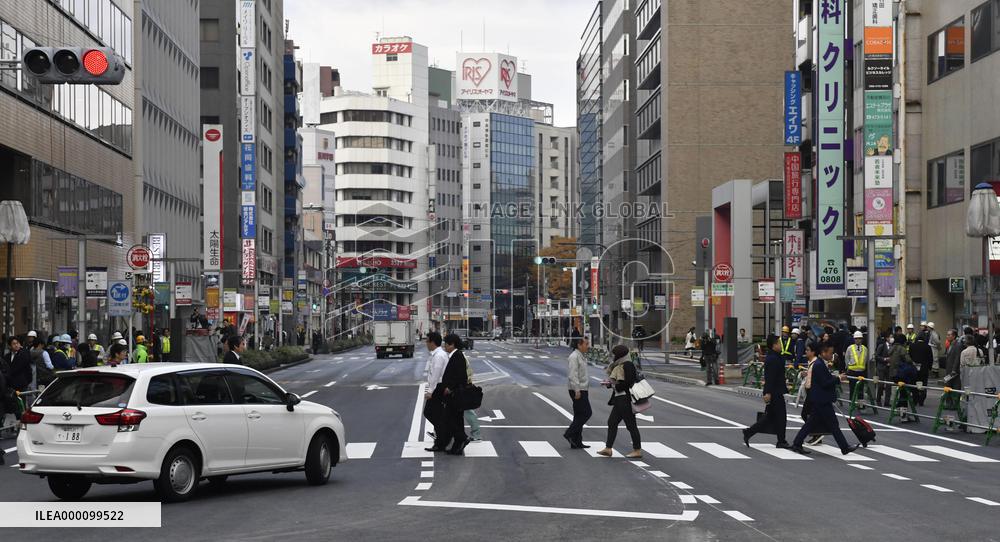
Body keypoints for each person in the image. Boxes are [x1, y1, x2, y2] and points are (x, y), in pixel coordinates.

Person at [791, 342, 860, 456]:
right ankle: (844, 447)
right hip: (822, 399)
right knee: (833, 424)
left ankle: (797, 443)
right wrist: (838, 378)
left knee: (811, 423)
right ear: (823, 353)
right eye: (830, 353)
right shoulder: (819, 364)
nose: (831, 355)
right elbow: (825, 382)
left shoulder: (820, 363)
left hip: (819, 398)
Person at [743, 335, 790, 449]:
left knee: (770, 417)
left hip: (775, 390)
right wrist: (768, 393)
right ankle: (781, 441)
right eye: (778, 343)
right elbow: (770, 377)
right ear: (774, 345)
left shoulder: (775, 356)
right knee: (781, 417)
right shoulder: (773, 358)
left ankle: (749, 432)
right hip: (774, 392)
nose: (780, 344)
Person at [597, 344, 642, 459]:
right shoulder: (620, 365)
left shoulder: (628, 365)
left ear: (619, 355)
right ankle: (608, 448)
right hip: (619, 399)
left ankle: (637, 450)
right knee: (612, 422)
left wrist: (615, 385)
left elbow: (628, 382)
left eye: (615, 354)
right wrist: (609, 384)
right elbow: (618, 382)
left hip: (625, 399)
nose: (613, 357)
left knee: (631, 425)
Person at [439, 334, 470, 455]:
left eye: (446, 344)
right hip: (454, 394)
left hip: (455, 394)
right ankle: (457, 445)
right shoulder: (456, 355)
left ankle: (462, 438)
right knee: (456, 420)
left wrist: (450, 388)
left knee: (449, 419)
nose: (444, 346)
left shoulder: (457, 356)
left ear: (452, 344)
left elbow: (461, 376)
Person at [423, 332, 450, 451]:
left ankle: (442, 438)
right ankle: (441, 440)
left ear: (432, 342)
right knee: (436, 414)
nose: (426, 343)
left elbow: (436, 374)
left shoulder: (439, 356)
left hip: (438, 387)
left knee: (430, 413)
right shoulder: (439, 354)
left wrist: (430, 391)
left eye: (427, 341)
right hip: (439, 387)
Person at [564, 336, 592, 449]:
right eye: (586, 344)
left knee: (579, 415)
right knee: (586, 413)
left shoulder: (581, 356)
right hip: (578, 389)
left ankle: (576, 441)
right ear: (579, 345)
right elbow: (573, 375)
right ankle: (569, 433)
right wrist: (577, 390)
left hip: (582, 388)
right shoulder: (574, 357)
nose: (588, 346)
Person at [845, 331, 869, 409]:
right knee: (852, 389)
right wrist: (848, 367)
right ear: (854, 339)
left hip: (861, 371)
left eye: (859, 338)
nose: (858, 340)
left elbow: (866, 359)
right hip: (852, 371)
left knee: (861, 389)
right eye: (856, 339)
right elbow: (846, 358)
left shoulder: (865, 349)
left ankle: (860, 405)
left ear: (862, 339)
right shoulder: (850, 348)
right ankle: (851, 404)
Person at [910, 333, 934, 406]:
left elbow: (910, 356)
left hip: (914, 368)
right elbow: (930, 358)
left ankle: (915, 399)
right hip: (924, 369)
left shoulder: (912, 346)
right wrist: (929, 367)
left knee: (914, 383)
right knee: (923, 384)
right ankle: (922, 399)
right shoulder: (927, 347)